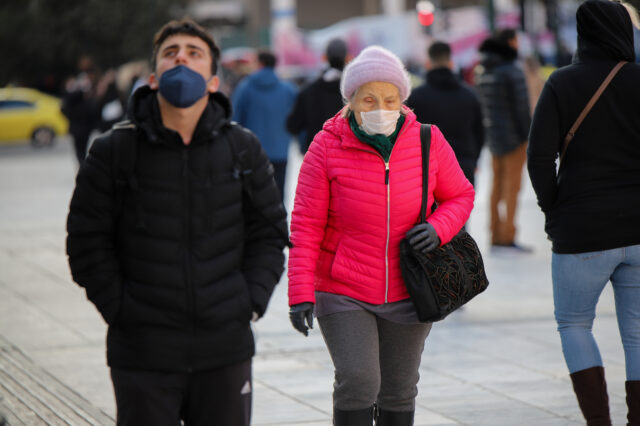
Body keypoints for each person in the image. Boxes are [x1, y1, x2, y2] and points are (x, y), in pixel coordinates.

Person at [66, 18, 288, 426]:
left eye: (194, 53)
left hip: (225, 349)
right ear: (153, 78)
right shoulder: (114, 151)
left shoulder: (242, 149)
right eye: (171, 53)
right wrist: (121, 309)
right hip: (143, 352)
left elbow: (270, 234)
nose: (181, 59)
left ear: (214, 81)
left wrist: (249, 301)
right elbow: (85, 242)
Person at [287, 45, 474, 426]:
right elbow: (306, 223)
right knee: (359, 379)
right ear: (350, 99)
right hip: (343, 287)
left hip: (411, 285)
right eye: (368, 98)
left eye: (390, 98)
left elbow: (460, 195)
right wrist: (300, 292)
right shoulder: (325, 146)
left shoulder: (427, 140)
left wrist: (439, 228)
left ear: (403, 99)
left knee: (399, 388)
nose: (380, 107)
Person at [527, 1, 640, 424]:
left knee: (574, 324)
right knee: (637, 332)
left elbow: (540, 159)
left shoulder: (562, 82)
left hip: (581, 229)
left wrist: (553, 209)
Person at [474, 29, 532, 252]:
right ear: (510, 42)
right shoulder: (511, 70)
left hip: (493, 137)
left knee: (496, 187)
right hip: (514, 139)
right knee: (513, 188)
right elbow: (521, 108)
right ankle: (508, 235)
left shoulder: (482, 70)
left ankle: (495, 232)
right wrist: (528, 136)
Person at [406, 41, 484, 187]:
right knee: (462, 208)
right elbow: (480, 131)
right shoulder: (469, 95)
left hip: (427, 168)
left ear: (428, 64)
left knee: (432, 210)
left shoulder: (416, 97)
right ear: (451, 64)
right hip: (463, 165)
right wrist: (474, 159)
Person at [232, 50, 296, 199]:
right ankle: (280, 220)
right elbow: (297, 117)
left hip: (253, 150)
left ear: (260, 63)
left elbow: (236, 118)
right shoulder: (287, 89)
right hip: (281, 149)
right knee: (280, 191)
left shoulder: (245, 88)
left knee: (256, 194)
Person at [286, 38, 349, 154]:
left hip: (317, 156)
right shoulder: (356, 91)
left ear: (325, 58)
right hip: (348, 158)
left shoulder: (309, 90)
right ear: (347, 57)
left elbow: (293, 125)